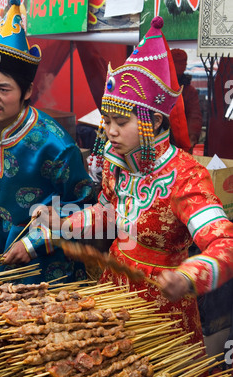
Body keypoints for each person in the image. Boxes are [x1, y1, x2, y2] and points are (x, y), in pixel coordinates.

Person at [33, 17, 233, 347]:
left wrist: (187, 275)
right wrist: (63, 222)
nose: (109, 131)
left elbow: (225, 243)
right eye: (106, 120)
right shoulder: (119, 166)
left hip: (162, 306)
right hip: (113, 289)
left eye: (120, 122)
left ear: (154, 121)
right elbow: (107, 215)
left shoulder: (185, 176)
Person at [0, 0, 95, 284]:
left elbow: (83, 204)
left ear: (27, 91)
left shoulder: (55, 145)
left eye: (4, 88)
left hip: (47, 256)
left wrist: (35, 241)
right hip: (0, 239)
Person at [171, 48, 203, 151]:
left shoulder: (189, 90)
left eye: (182, 63)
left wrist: (191, 137)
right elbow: (194, 116)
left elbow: (194, 115)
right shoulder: (160, 86)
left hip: (181, 139)